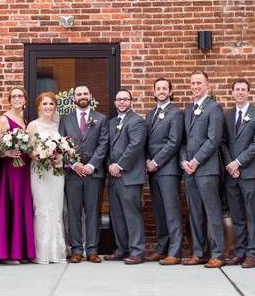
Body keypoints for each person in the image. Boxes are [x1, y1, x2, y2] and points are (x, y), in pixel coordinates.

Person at [180, 70, 226, 268]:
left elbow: (214, 139)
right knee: (195, 212)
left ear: (208, 85)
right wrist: (184, 161)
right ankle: (199, 252)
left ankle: (218, 254)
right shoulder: (188, 110)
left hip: (206, 169)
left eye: (199, 83)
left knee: (212, 212)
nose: (195, 86)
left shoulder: (214, 108)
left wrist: (196, 160)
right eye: (192, 83)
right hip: (189, 170)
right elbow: (183, 141)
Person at [220, 79, 255, 269]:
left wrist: (238, 162)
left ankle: (253, 254)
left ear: (248, 92)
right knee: (237, 215)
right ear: (232, 92)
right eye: (236, 89)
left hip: (250, 174)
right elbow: (222, 142)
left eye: (243, 90)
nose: (240, 92)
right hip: (232, 175)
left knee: (253, 215)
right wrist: (230, 164)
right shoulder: (227, 116)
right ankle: (240, 252)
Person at [58, 84, 109, 263]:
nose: (82, 96)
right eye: (78, 94)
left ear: (90, 96)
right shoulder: (65, 119)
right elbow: (62, 144)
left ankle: (93, 250)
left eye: (85, 93)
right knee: (74, 212)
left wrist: (92, 165)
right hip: (73, 174)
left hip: (93, 174)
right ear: (74, 98)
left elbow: (104, 145)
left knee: (94, 212)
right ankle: (77, 250)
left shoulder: (101, 119)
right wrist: (74, 164)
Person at [104, 89, 148, 264]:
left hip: (130, 176)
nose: (122, 102)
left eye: (125, 99)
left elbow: (135, 147)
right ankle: (121, 249)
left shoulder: (137, 121)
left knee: (132, 215)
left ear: (131, 101)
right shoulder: (112, 122)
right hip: (114, 177)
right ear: (115, 102)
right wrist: (109, 165)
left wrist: (119, 165)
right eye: (119, 99)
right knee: (117, 215)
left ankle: (137, 251)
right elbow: (107, 147)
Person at [144, 77, 184, 265]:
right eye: (158, 88)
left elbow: (174, 141)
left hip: (168, 169)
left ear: (170, 92)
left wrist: (156, 162)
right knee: (159, 211)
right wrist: (147, 161)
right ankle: (161, 248)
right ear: (154, 92)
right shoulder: (150, 114)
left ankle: (175, 252)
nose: (161, 91)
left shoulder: (175, 113)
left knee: (172, 211)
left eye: (164, 88)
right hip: (152, 170)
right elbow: (146, 141)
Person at [0, 87, 36, 263]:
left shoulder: (25, 120)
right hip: (11, 169)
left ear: (25, 100)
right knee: (11, 205)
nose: (17, 99)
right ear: (9, 100)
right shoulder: (4, 119)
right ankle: (9, 253)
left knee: (22, 205)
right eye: (14, 96)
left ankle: (21, 250)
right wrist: (7, 154)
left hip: (24, 168)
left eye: (20, 96)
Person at [27, 91, 67, 264]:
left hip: (57, 172)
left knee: (57, 209)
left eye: (51, 104)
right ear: (38, 107)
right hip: (40, 172)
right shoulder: (33, 126)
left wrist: (59, 156)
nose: (48, 107)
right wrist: (38, 156)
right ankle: (42, 252)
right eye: (45, 104)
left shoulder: (58, 125)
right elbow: (28, 149)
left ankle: (56, 252)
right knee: (42, 209)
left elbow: (63, 148)